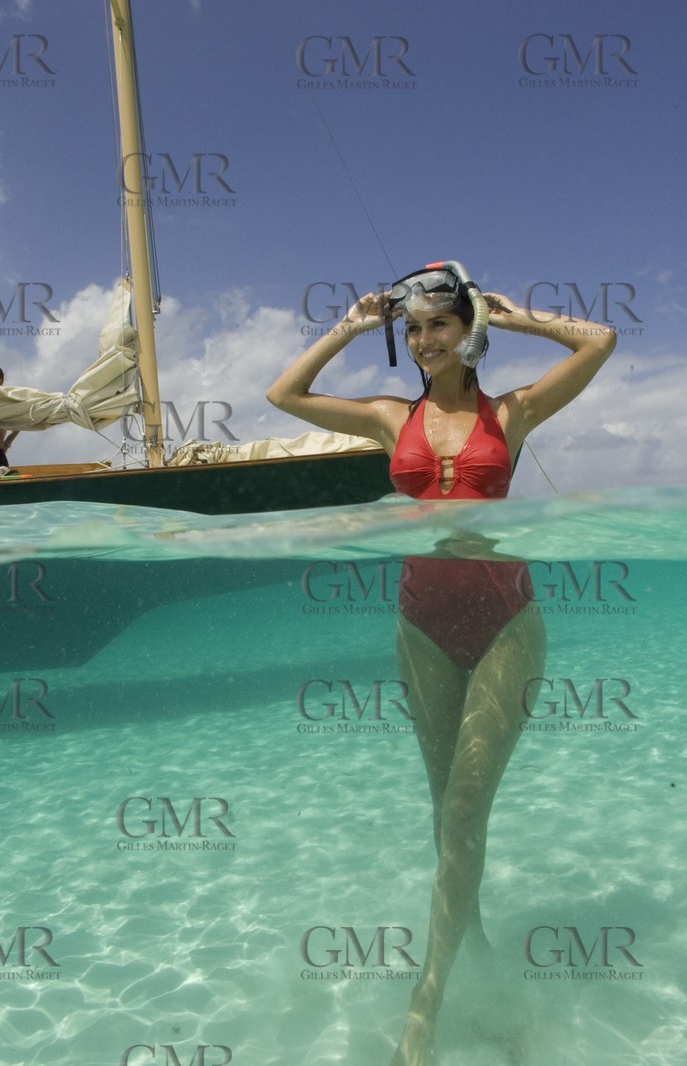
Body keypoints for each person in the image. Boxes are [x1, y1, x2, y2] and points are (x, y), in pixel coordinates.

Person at [267, 263, 616, 1066]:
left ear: (468, 330)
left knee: (464, 816)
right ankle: (486, 971)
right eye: (413, 329)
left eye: (440, 325)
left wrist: (516, 314)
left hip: (506, 627)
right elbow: (283, 396)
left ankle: (420, 1020)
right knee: (445, 821)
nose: (424, 341)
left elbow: (599, 340)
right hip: (419, 627)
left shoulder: (513, 412)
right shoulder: (393, 418)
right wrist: (351, 329)